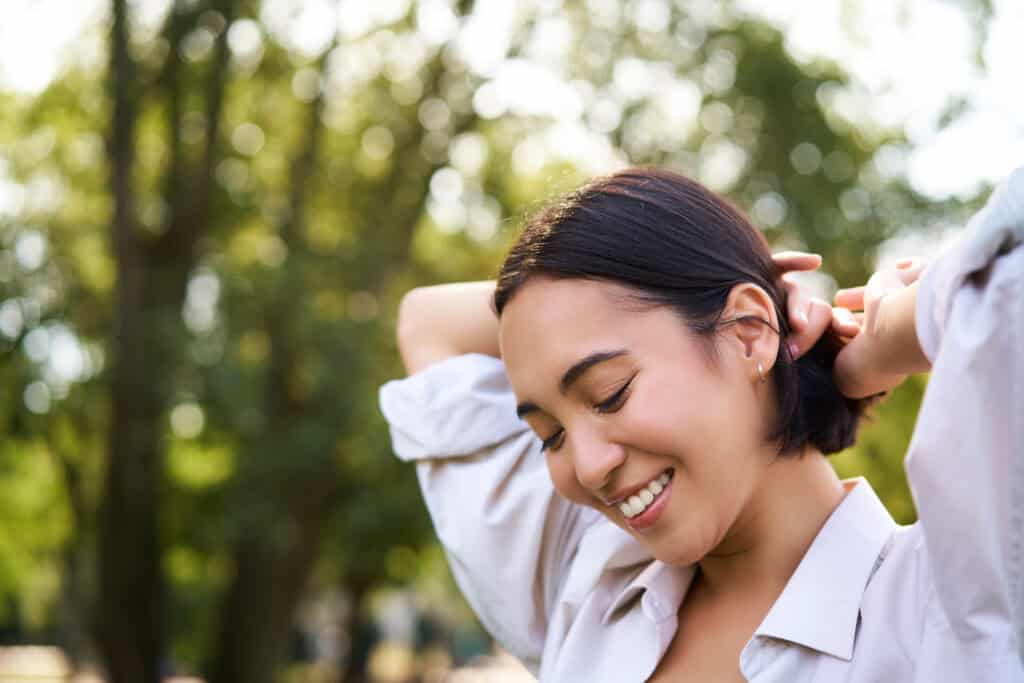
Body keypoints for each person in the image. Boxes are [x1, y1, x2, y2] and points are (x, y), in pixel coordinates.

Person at [379, 166, 1024, 682]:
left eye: (608, 395)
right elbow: (426, 325)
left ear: (748, 336)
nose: (586, 466)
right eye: (550, 434)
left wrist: (886, 341)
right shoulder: (585, 586)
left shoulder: (952, 608)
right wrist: (717, 281)